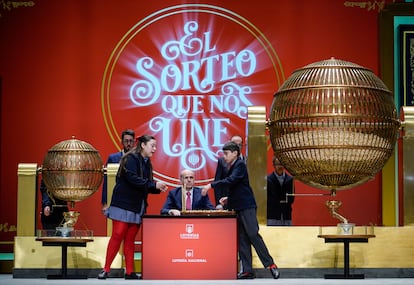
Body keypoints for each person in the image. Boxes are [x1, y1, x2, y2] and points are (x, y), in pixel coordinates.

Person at [201, 142, 280, 279]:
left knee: (252, 234)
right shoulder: (233, 166)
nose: (224, 157)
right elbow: (237, 186)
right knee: (242, 239)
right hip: (237, 206)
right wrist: (228, 198)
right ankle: (247, 270)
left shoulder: (240, 165)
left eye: (226, 153)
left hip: (247, 206)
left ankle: (270, 264)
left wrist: (210, 185)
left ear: (235, 153)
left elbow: (231, 180)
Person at [98, 135, 168, 280]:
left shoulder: (147, 163)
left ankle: (130, 271)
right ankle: (106, 269)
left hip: (137, 205)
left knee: (130, 239)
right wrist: (154, 184)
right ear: (143, 145)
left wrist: (157, 187)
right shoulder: (131, 159)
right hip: (123, 203)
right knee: (118, 235)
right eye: (152, 146)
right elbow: (132, 179)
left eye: (155, 146)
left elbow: (145, 183)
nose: (155, 149)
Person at [101, 129, 136, 212]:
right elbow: (106, 182)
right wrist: (105, 202)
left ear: (134, 142)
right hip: (116, 199)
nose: (128, 144)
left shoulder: (138, 159)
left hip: (133, 201)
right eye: (126, 141)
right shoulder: (113, 158)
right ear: (121, 142)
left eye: (131, 141)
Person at [213, 135, 245, 209]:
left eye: (239, 145)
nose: (237, 146)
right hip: (226, 199)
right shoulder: (222, 161)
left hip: (243, 200)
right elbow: (218, 180)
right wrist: (218, 203)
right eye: (234, 144)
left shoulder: (247, 160)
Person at [267, 157, 294, 226]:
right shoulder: (268, 179)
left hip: (286, 214)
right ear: (274, 165)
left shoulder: (290, 179)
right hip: (273, 215)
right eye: (277, 164)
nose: (280, 166)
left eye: (281, 164)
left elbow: (292, 198)